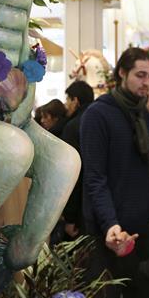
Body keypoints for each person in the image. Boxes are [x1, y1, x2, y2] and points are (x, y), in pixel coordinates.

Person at [80, 47, 149, 298]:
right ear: (122, 74)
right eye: (141, 75)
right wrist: (111, 224)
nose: (147, 82)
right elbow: (95, 179)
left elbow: (144, 174)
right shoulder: (97, 115)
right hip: (108, 235)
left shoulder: (142, 115)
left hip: (140, 233)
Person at [60, 80, 95, 239]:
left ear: (76, 100)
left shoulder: (73, 126)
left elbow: (72, 173)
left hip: (82, 206)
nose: (66, 104)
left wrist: (70, 217)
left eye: (68, 99)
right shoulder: (100, 120)